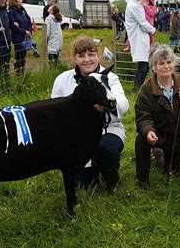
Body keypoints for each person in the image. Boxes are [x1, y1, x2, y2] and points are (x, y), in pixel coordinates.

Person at [51, 37, 129, 191]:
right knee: (84, 185)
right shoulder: (62, 80)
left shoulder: (110, 78)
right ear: (75, 58)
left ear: (98, 55)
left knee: (105, 149)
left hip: (108, 129)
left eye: (91, 54)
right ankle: (91, 168)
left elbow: (123, 103)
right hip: (77, 135)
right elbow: (56, 111)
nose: (87, 60)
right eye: (81, 55)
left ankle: (111, 175)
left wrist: (106, 106)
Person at [135, 44, 180, 190]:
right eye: (161, 63)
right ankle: (143, 179)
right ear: (154, 67)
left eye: (169, 62)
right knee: (141, 140)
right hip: (158, 133)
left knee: (172, 172)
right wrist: (148, 130)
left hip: (178, 136)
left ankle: (160, 155)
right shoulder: (146, 89)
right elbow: (142, 115)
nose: (166, 66)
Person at [124, 0, 156, 91]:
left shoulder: (135, 4)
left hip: (139, 38)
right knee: (144, 67)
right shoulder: (134, 6)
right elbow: (143, 23)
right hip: (139, 39)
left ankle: (137, 88)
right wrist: (154, 30)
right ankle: (136, 89)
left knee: (144, 66)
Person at [8, 0, 32, 75]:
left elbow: (29, 20)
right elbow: (13, 26)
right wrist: (24, 32)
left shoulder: (22, 9)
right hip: (18, 38)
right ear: (14, 1)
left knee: (23, 57)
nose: (21, 0)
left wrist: (28, 32)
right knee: (19, 56)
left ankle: (22, 72)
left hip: (26, 37)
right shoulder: (11, 11)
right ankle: (18, 74)